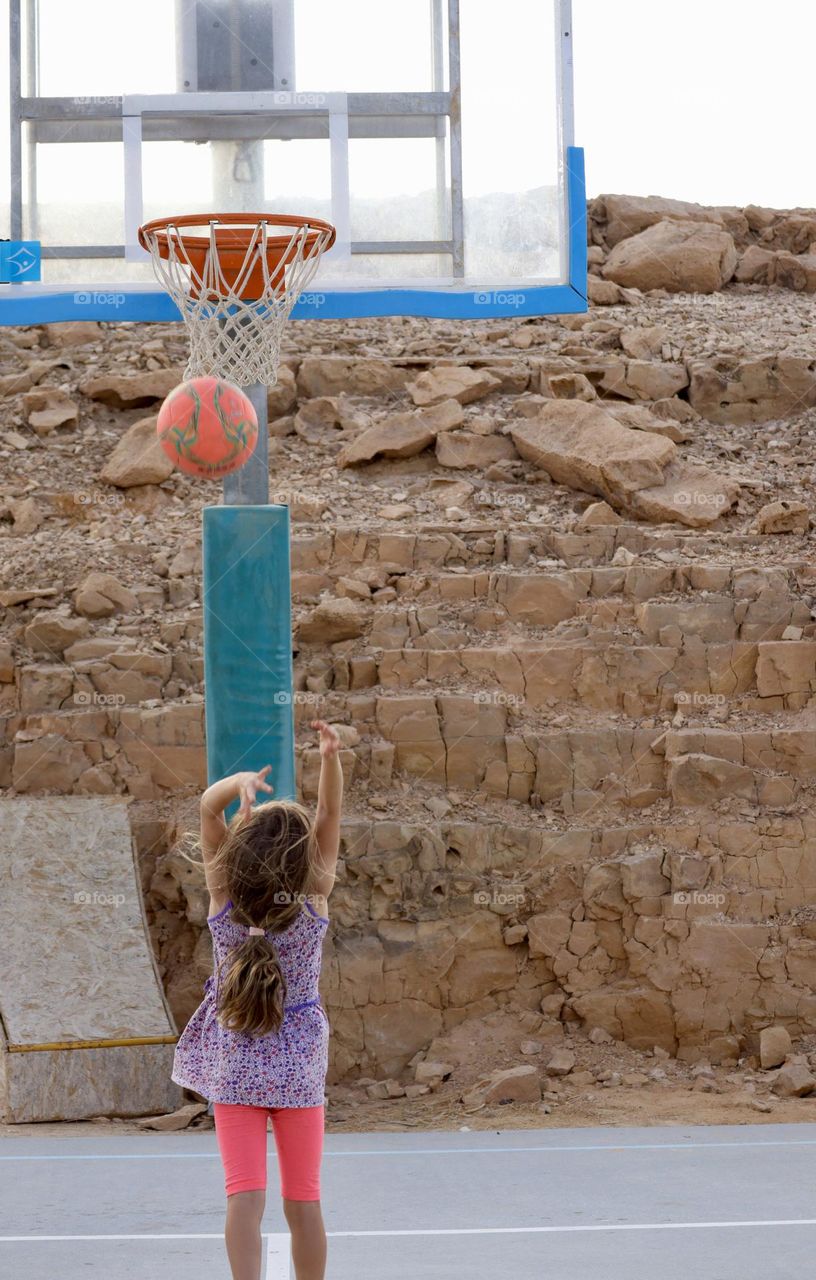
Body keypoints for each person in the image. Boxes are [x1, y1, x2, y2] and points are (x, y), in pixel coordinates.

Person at [172, 719, 343, 1280]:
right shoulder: (312, 901)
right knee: (304, 1202)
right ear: (307, 866)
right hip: (299, 1072)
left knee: (243, 1199)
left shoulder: (226, 907)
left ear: (236, 861)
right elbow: (329, 819)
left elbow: (205, 810)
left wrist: (237, 783)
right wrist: (330, 758)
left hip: (236, 1068)